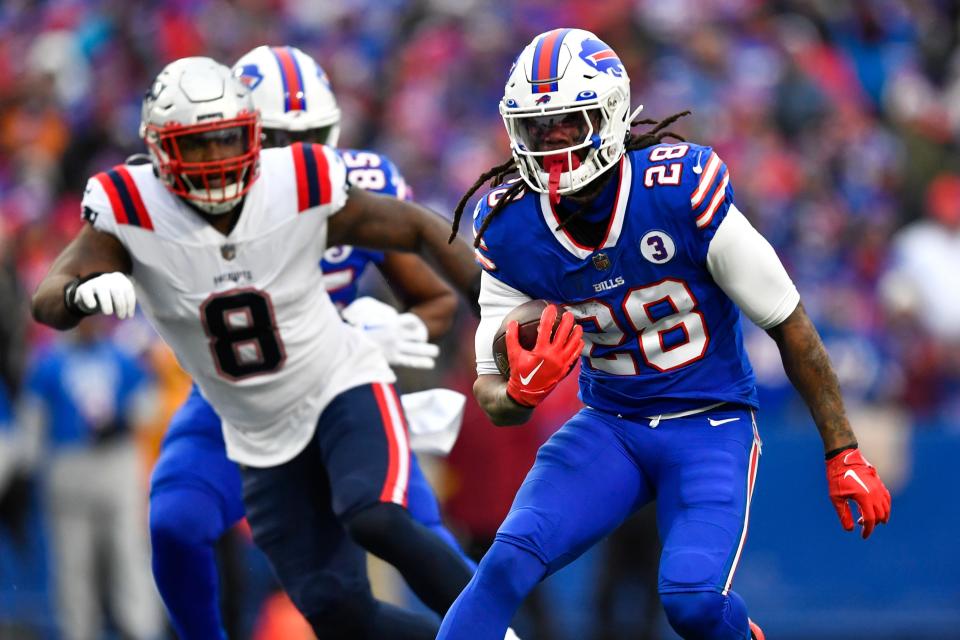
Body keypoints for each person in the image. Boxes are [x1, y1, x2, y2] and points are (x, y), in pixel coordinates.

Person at [438, 28, 892, 640]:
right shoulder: (510, 226)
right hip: (610, 426)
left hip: (709, 421)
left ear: (608, 116)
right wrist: (519, 394)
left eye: (568, 125)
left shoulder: (679, 190)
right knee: (501, 568)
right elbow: (491, 393)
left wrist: (843, 451)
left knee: (694, 602)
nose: (551, 145)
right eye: (537, 130)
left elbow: (790, 325)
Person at [31, 56, 481, 640]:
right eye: (279, 140)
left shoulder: (307, 183)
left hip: (338, 382)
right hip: (235, 401)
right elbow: (52, 295)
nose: (219, 162)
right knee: (271, 573)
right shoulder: (134, 208)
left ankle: (495, 629)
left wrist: (431, 321)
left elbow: (422, 252)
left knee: (390, 520)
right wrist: (80, 292)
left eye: (308, 140)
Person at [17, 317, 162, 640]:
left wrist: (123, 422)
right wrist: (28, 468)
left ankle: (141, 629)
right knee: (73, 563)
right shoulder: (48, 362)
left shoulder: (120, 357)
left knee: (129, 553)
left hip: (116, 462)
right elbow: (32, 423)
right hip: (69, 463)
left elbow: (149, 407)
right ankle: (78, 632)